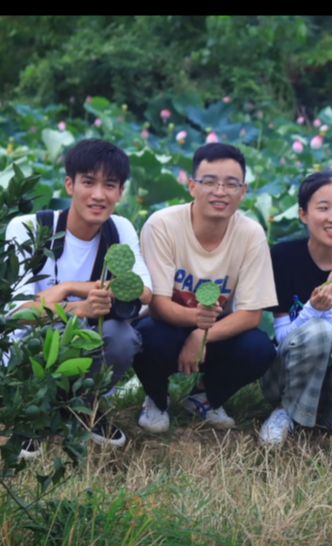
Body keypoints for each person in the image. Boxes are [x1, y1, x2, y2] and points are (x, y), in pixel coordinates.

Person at [5, 139, 152, 450]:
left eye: (110, 185)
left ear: (120, 192)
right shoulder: (29, 228)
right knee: (44, 336)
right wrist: (75, 303)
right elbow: (17, 316)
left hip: (85, 342)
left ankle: (84, 407)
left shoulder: (119, 228)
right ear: (69, 185)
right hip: (28, 351)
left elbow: (144, 292)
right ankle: (30, 412)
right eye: (88, 182)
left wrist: (70, 291)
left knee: (124, 336)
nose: (98, 195)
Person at [134, 143, 276, 433]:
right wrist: (194, 324)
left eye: (231, 184)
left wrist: (202, 335)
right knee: (147, 338)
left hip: (215, 328)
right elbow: (158, 304)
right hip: (165, 324)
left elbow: (251, 315)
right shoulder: (161, 225)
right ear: (192, 187)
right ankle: (157, 399)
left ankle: (205, 397)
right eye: (209, 182)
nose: (220, 191)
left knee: (260, 348)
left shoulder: (251, 234)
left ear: (243, 191)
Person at [258, 171, 332, 451]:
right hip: (285, 376)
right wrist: (313, 310)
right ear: (303, 214)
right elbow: (283, 337)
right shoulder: (283, 258)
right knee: (320, 330)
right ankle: (285, 411)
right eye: (323, 208)